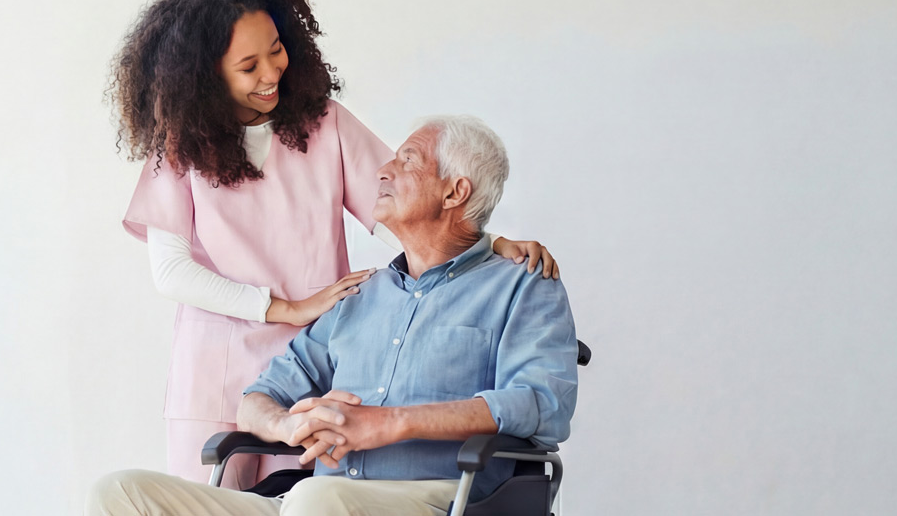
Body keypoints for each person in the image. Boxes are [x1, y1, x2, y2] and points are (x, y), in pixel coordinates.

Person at [111, 0, 560, 488]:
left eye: (276, 51)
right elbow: (171, 273)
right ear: (204, 76)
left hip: (312, 362)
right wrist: (287, 307)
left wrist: (493, 242)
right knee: (204, 500)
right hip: (214, 368)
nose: (271, 71)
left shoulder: (323, 124)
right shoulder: (178, 148)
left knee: (297, 501)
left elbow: (417, 201)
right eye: (248, 66)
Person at [89, 115, 579, 516]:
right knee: (121, 494)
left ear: (455, 193)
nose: (382, 170)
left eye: (406, 160)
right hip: (314, 501)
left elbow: (541, 403)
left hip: (438, 500)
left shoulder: (523, 285)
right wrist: (287, 427)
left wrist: (391, 424)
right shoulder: (359, 297)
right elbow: (259, 396)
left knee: (315, 498)